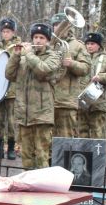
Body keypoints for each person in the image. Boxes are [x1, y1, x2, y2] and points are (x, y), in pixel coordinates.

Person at [4, 23, 63, 169]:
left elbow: (43, 70)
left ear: (47, 40)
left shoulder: (53, 57)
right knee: (26, 155)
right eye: (35, 37)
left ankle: (43, 183)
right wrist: (15, 56)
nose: (38, 40)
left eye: (42, 38)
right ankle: (27, 181)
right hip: (24, 115)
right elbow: (9, 74)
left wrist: (28, 54)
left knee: (42, 154)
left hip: (42, 115)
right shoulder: (24, 58)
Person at [50, 13, 90, 138]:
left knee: (65, 137)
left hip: (66, 101)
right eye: (55, 25)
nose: (58, 27)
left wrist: (72, 64)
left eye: (61, 25)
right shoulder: (48, 44)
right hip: (47, 100)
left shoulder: (78, 45)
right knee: (46, 138)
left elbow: (86, 68)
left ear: (68, 27)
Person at [0, 17, 21, 160]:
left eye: (8, 31)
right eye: (3, 31)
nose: (5, 34)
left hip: (12, 89)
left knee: (12, 121)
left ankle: (11, 149)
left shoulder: (18, 46)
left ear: (13, 32)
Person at [78, 32, 106, 138]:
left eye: (92, 44)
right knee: (81, 131)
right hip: (81, 101)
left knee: (97, 131)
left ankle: (97, 149)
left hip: (99, 102)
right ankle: (83, 149)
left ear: (99, 45)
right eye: (87, 44)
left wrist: (101, 77)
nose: (89, 46)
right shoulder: (80, 58)